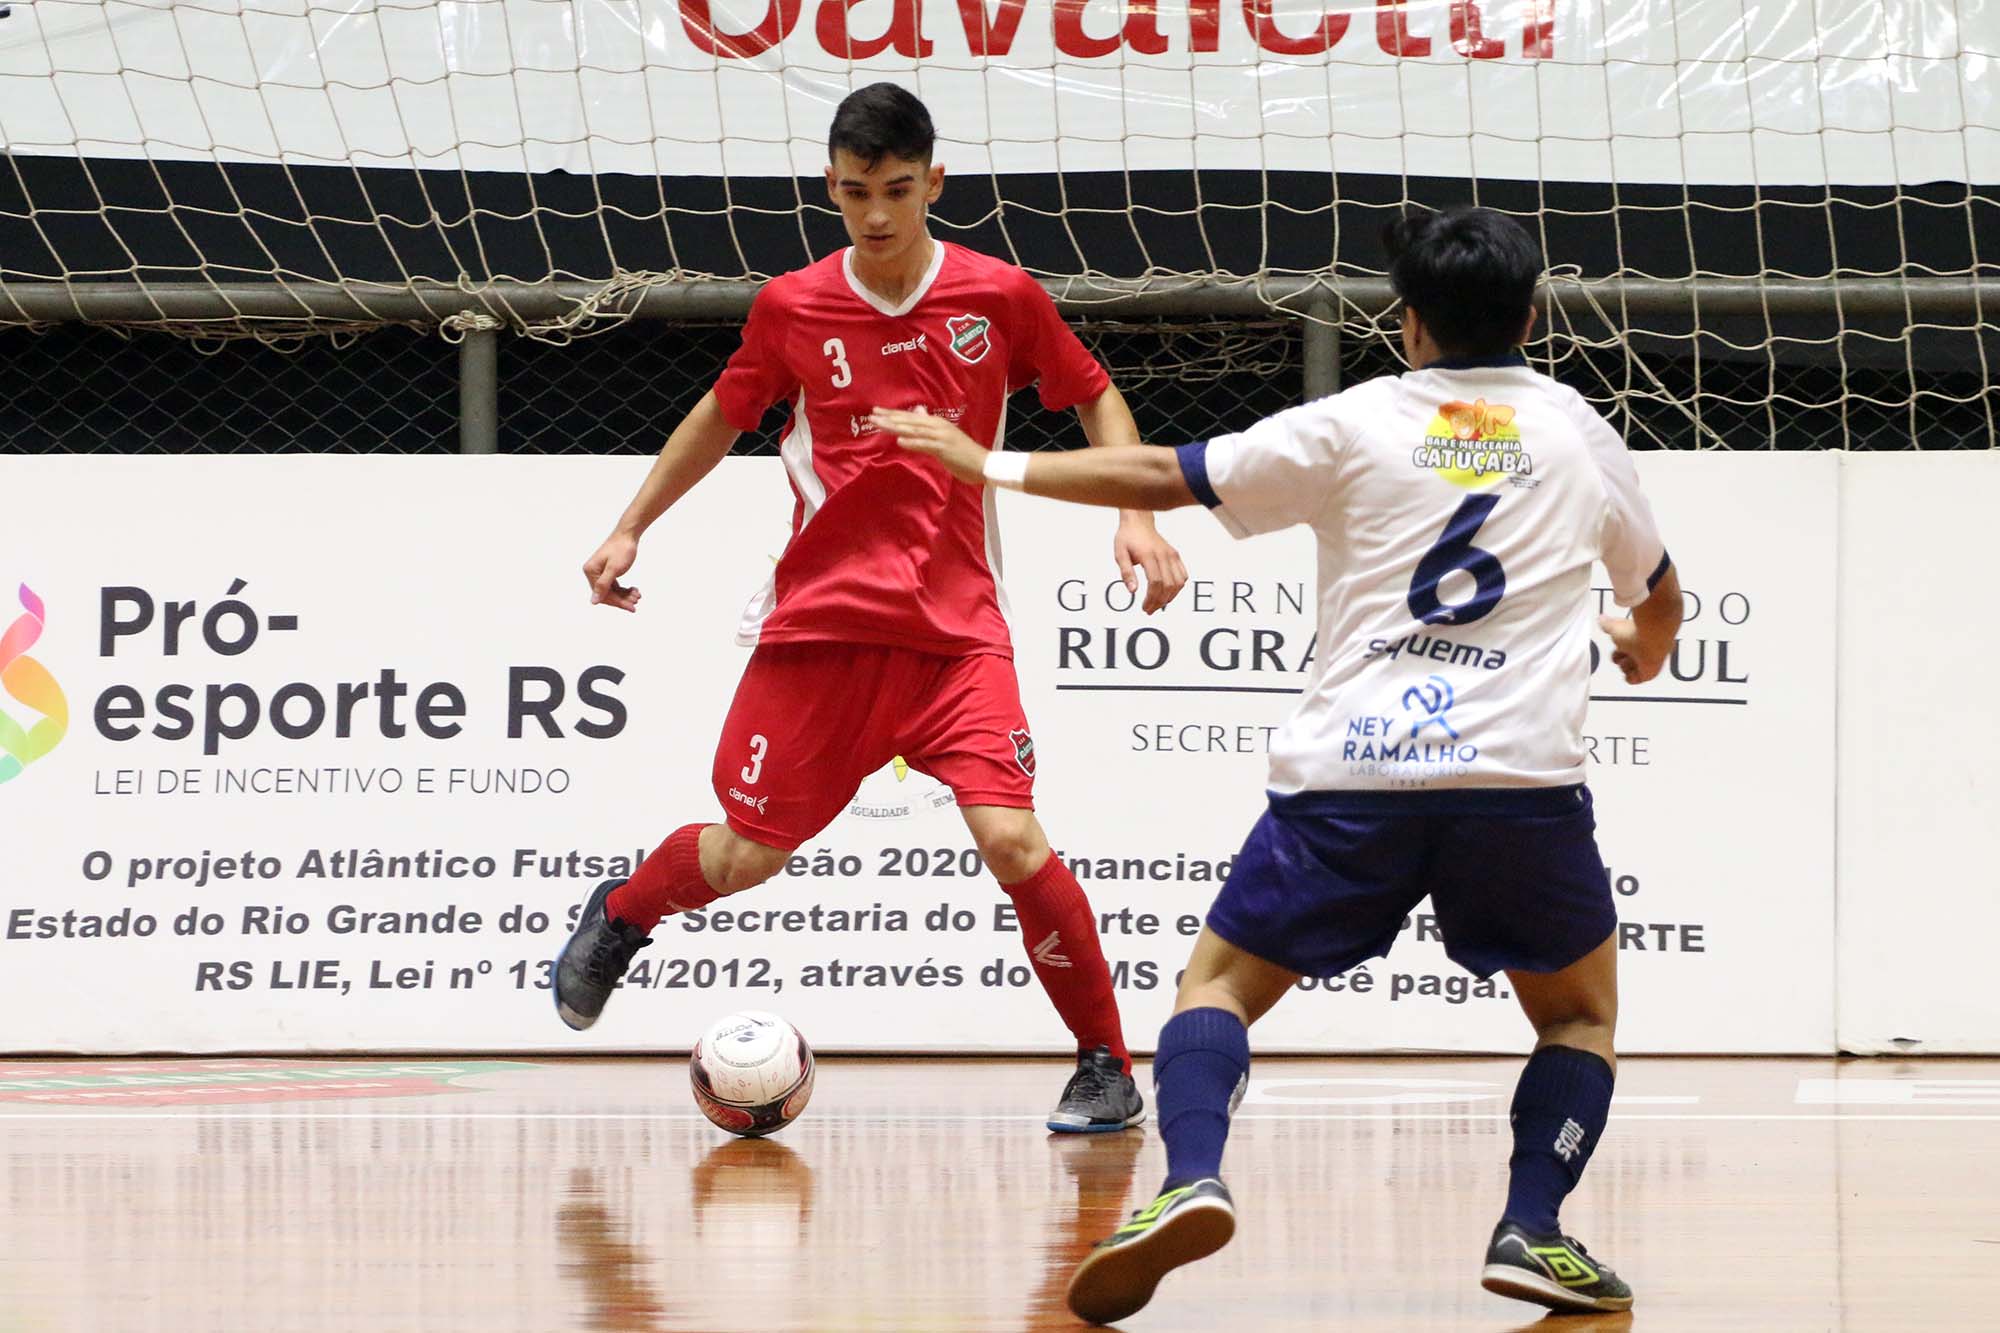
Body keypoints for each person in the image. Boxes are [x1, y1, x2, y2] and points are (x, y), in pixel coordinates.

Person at [875, 205, 1682, 1320]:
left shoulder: (1352, 423)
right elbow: (1657, 590)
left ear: (1407, 323)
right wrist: (1644, 644)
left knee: (1214, 987)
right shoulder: (1577, 432)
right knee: (1577, 1018)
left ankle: (1189, 1180)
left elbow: (1163, 475)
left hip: (1350, 781)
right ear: (1533, 318)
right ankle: (1531, 1226)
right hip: (1518, 787)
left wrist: (988, 462)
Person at [551, 82, 1189, 1134]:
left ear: (934, 182)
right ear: (831, 187)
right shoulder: (793, 306)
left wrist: (1134, 514)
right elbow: (721, 414)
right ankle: (622, 914)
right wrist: (631, 527)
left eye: (897, 189)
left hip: (955, 636)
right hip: (820, 631)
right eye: (856, 193)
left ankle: (1105, 1066)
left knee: (1012, 839)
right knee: (747, 855)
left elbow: (1090, 392)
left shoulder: (998, 294)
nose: (878, 214)